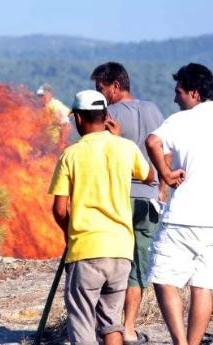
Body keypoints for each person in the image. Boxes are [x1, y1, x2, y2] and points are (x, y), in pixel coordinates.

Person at [49, 90, 154, 345]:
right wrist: (117, 141)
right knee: (111, 323)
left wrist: (69, 232)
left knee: (83, 323)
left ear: (79, 120)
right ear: (106, 116)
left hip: (86, 250)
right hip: (121, 251)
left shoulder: (71, 155)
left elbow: (60, 209)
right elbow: (149, 176)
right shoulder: (126, 148)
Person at [90, 62, 165, 344]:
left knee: (110, 263)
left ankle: (108, 328)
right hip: (149, 199)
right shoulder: (154, 110)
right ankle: (130, 329)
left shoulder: (108, 114)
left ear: (115, 86)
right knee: (138, 265)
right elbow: (163, 152)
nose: (101, 94)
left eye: (101, 88)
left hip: (119, 198)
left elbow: (100, 154)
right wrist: (162, 187)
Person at [145, 63, 213, 345]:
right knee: (204, 286)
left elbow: (152, 141)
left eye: (179, 92)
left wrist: (165, 173)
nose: (175, 99)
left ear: (194, 93)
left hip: (184, 216)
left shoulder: (181, 121)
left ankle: (180, 342)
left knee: (162, 276)